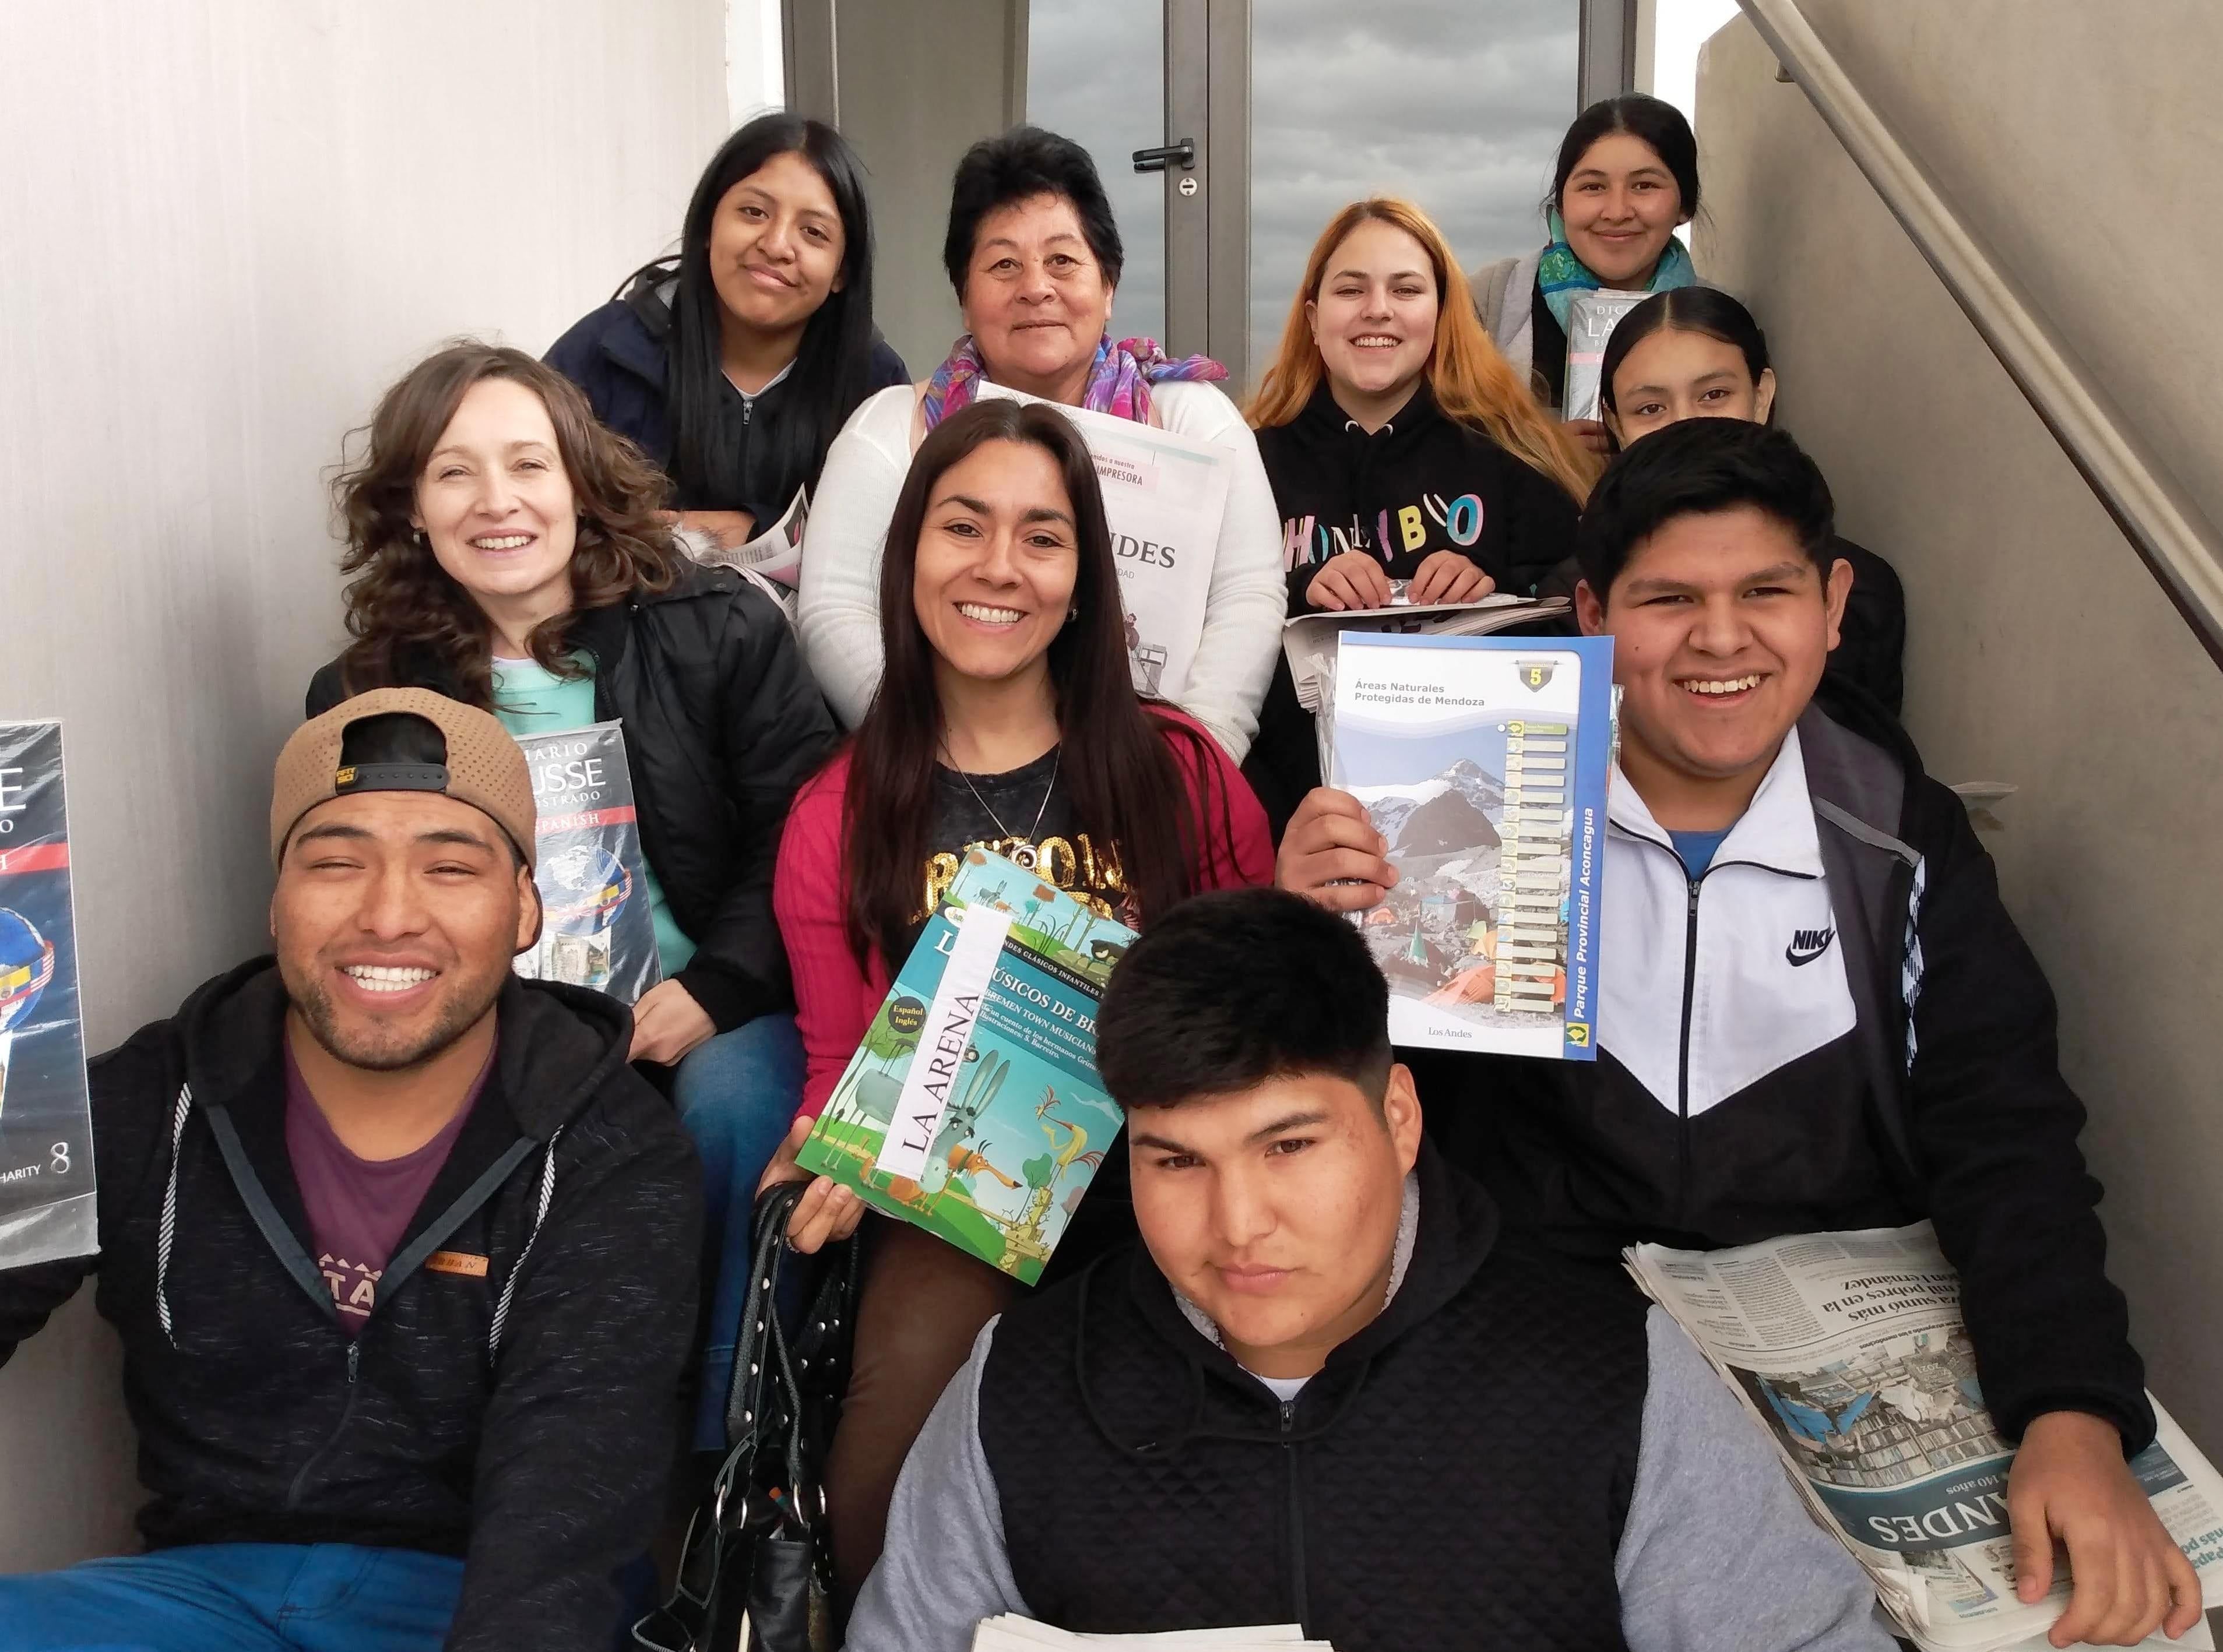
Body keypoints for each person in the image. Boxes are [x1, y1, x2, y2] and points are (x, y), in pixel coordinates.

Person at [1274, 420, 2203, 1649]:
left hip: (1837, 1350)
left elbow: (2006, 1129)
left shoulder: (1896, 840)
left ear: (1831, 604)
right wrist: (1302, 935)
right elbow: (1331, 1117)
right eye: (1668, 598)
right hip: (1550, 1346)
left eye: (1764, 591)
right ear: (1594, 616)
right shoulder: (1466, 808)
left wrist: (2073, 1410)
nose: (1720, 638)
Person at [842, 887, 1895, 1652]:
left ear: (1396, 1119)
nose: (1236, 1225)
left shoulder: (1605, 1373)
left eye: (1288, 1146)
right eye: (1176, 1162)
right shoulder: (1023, 1384)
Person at [0, 690, 699, 1651]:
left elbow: (568, 1500)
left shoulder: (612, 1151)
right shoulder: (146, 1097)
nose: (387, 914)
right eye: (334, 863)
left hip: (475, 1604)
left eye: (451, 868)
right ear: (276, 902)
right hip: (196, 1599)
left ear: (528, 908)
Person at [769, 396, 1274, 1606]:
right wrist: (815, 1168)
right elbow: (839, 1066)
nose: (999, 567)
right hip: (967, 1203)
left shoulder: (1182, 768)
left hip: (1184, 1164)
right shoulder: (833, 816)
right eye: (962, 527)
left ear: (1084, 578)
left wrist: (1297, 916)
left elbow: (1259, 1018)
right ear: (907, 561)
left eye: (1041, 536)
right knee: (870, 1502)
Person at [308, 341, 835, 1449]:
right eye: (454, 473)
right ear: (410, 507)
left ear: (580, 483)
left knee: (733, 1105)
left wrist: (721, 985)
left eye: (527, 466)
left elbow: (802, 827)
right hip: (493, 1018)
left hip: (703, 1001)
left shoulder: (718, 625)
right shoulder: (366, 694)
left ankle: (719, 1442)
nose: (496, 503)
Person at [797, 125, 1285, 761]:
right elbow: (835, 611)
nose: (1035, 286)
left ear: (1107, 286)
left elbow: (1247, 598)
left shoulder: (1195, 422)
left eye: (1062, 260)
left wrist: (1195, 759)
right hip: (944, 781)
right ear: (964, 298)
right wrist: (950, 760)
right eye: (1003, 265)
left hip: (1156, 776)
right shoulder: (891, 429)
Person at [1243, 196, 1592, 835]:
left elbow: (1577, 627)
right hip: (1282, 818)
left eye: (1405, 289)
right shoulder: (1248, 459)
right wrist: (1300, 587)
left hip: (1470, 815)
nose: (1377, 309)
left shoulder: (1513, 455)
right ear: (1314, 317)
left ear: (1441, 313)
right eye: (1351, 290)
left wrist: (1488, 587)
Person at [546, 112, 908, 553]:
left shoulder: (875, 384)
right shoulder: (606, 353)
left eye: (813, 232)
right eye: (753, 212)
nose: (776, 245)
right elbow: (532, 499)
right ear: (707, 227)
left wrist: (757, 529)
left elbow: (897, 537)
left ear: (841, 271)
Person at [1599, 284, 1906, 716]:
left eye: (1714, 396)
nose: (1686, 425)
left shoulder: (1867, 593)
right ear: (1615, 424)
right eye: (1651, 408)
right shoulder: (1577, 589)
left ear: (1762, 396)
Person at [1472, 93, 1700, 450]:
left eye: (1645, 186)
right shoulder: (1489, 301)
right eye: (1593, 187)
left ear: (1685, 205)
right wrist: (1541, 453)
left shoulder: (1722, 318)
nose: (1617, 211)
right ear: (1561, 204)